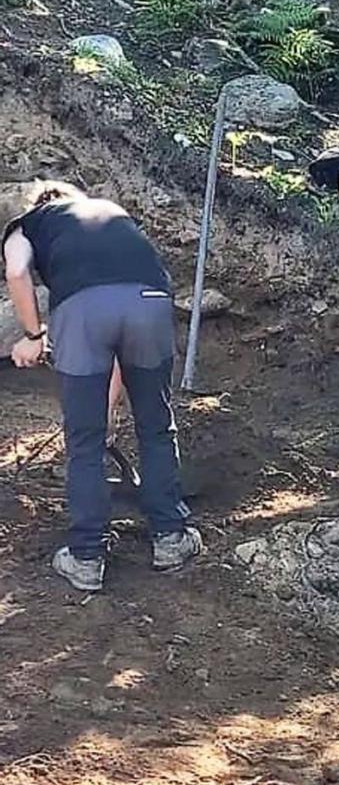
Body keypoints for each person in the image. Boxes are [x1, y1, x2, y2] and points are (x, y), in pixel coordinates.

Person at [3, 180, 200, 591]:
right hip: (149, 299)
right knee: (156, 425)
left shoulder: (27, 225)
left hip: (83, 312)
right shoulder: (111, 212)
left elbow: (17, 270)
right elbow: (116, 356)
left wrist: (33, 336)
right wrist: (108, 412)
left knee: (84, 443)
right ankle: (171, 537)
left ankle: (87, 557)